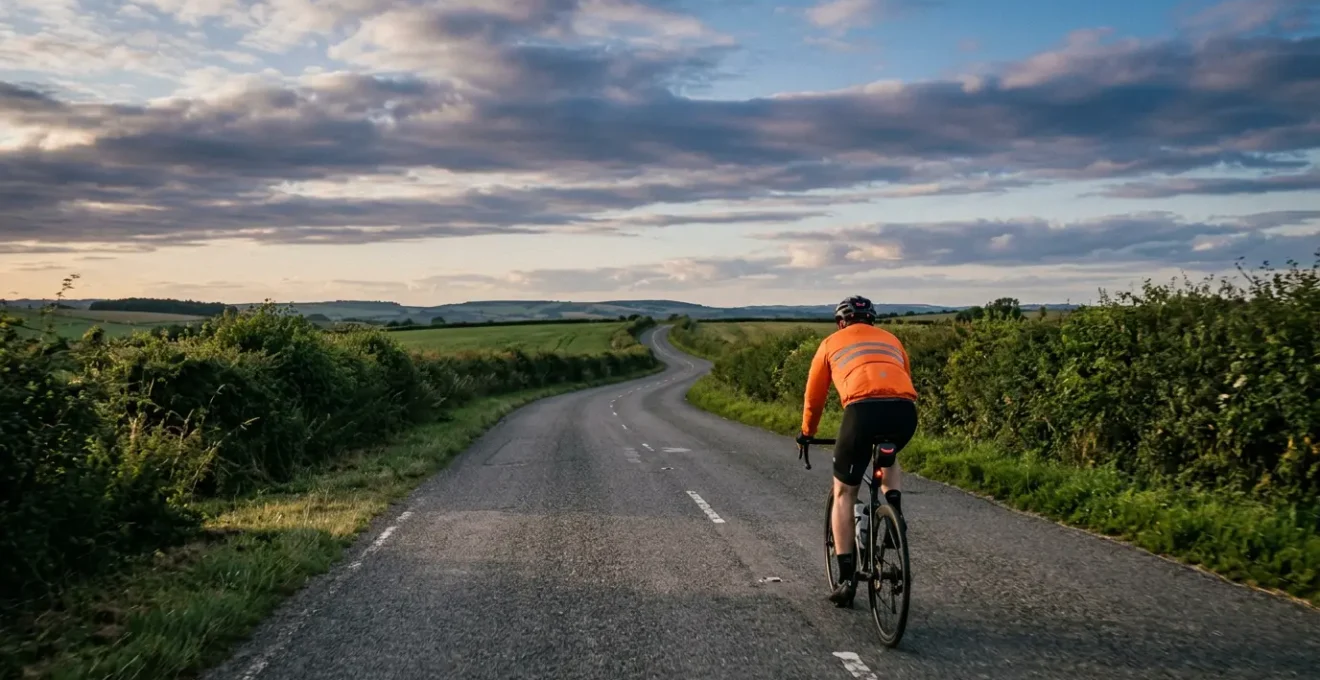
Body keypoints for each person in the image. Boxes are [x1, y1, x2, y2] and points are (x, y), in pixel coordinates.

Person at [796, 295, 919, 607]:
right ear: (872, 321)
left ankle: (847, 578)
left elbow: (815, 397)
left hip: (862, 412)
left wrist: (807, 434)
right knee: (888, 453)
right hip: (904, 411)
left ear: (841, 322)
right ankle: (895, 512)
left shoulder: (830, 343)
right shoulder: (892, 339)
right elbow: (904, 376)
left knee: (843, 492)